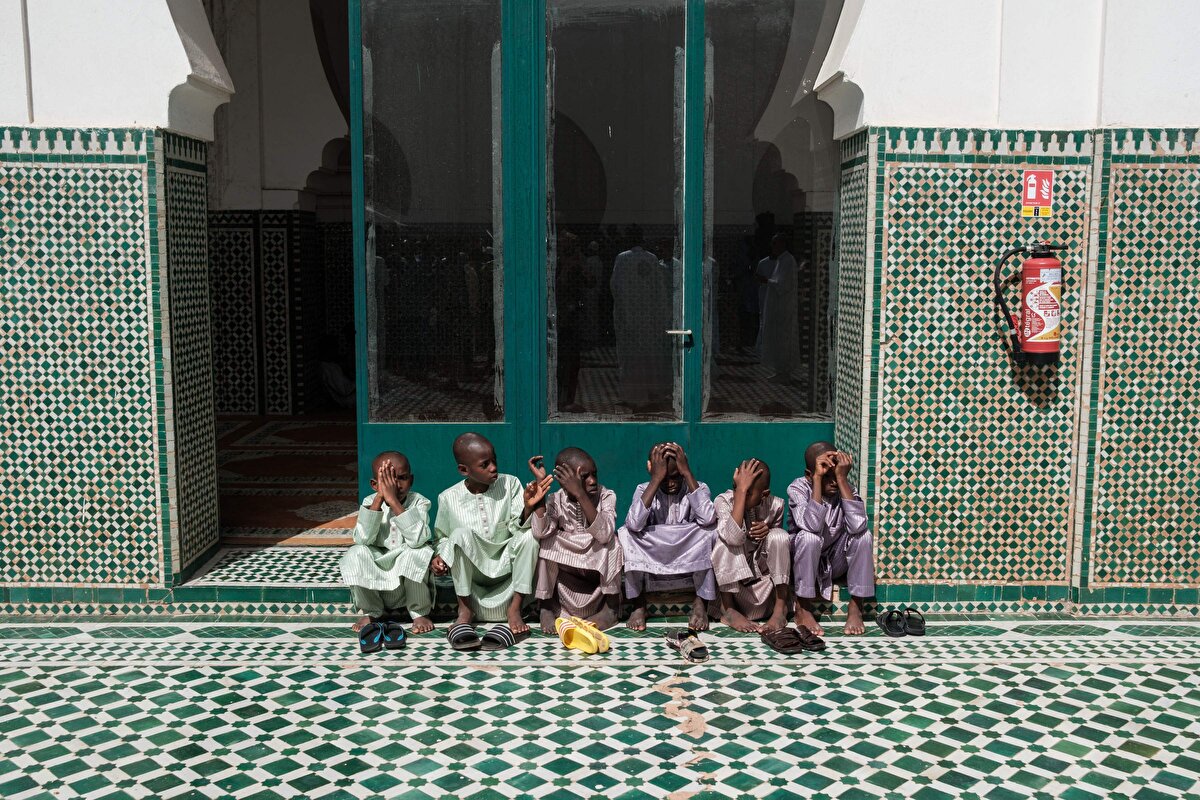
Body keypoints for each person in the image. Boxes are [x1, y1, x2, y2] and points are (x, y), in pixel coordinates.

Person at [433, 433, 552, 635]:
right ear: (464, 470)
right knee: (459, 535)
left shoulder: (510, 483)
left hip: (507, 564)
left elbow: (518, 528)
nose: (493, 467)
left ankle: (515, 607)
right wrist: (439, 556)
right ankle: (465, 609)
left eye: (494, 460)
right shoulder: (448, 497)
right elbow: (442, 537)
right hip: (474, 572)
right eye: (485, 464)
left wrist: (527, 508)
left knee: (529, 537)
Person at [617, 443, 717, 631]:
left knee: (710, 530)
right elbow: (634, 524)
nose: (671, 483)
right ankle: (639, 604)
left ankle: (701, 601)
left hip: (687, 548)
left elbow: (708, 517)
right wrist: (656, 480)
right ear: (650, 468)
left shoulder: (698, 487)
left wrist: (687, 473)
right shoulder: (643, 489)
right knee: (626, 534)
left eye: (676, 476)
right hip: (655, 550)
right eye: (665, 477)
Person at [340, 451, 435, 634]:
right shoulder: (370, 501)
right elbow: (362, 539)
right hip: (377, 569)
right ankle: (371, 611)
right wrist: (379, 499)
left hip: (405, 571)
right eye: (387, 480)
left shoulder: (419, 502)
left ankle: (419, 612)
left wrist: (392, 501)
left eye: (402, 478)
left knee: (420, 551)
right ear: (374, 484)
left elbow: (417, 539)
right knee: (356, 552)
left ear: (411, 480)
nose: (395, 485)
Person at [530, 447, 622, 633]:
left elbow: (604, 533)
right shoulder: (555, 499)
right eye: (585, 477)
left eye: (594, 474)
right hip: (569, 562)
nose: (593, 481)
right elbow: (541, 531)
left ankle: (611, 608)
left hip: (594, 556)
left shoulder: (606, 495)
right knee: (546, 542)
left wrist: (580, 493)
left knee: (613, 543)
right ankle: (546, 606)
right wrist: (540, 490)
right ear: (564, 481)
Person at [788, 441, 875, 636]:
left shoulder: (845, 487)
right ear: (809, 474)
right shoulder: (798, 488)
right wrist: (818, 479)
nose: (834, 482)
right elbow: (812, 525)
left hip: (836, 562)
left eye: (836, 474)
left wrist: (842, 479)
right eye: (827, 476)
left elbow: (858, 525)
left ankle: (856, 606)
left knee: (863, 535)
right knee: (809, 537)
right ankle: (803, 608)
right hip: (806, 565)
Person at [711, 458, 790, 633]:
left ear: (764, 495)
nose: (739, 494)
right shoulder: (723, 501)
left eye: (747, 492)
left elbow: (777, 553)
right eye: (736, 487)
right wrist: (741, 492)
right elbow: (733, 537)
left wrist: (768, 530)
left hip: (764, 586)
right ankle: (729, 610)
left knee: (779, 536)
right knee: (724, 541)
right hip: (735, 588)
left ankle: (780, 609)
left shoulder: (776, 505)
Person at [610, 227, 673, 410]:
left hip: (628, 316)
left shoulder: (623, 258)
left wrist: (624, 312)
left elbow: (616, 286)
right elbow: (659, 290)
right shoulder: (652, 258)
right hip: (649, 318)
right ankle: (651, 391)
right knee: (649, 355)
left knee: (630, 357)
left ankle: (632, 394)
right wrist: (661, 316)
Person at [757, 233, 801, 382]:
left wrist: (766, 281)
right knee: (778, 339)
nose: (772, 247)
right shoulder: (781, 260)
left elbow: (784, 285)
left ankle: (784, 372)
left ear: (782, 244)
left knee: (784, 340)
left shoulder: (788, 260)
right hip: (778, 308)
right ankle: (780, 371)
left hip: (784, 309)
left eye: (775, 243)